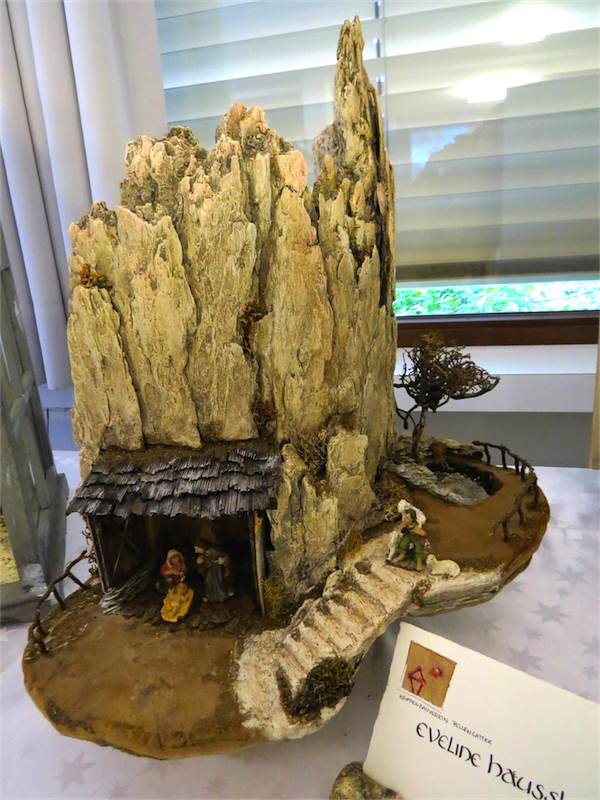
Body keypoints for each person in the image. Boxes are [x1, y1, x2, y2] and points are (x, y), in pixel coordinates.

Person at [387, 500, 432, 572]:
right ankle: (402, 555)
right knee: (402, 544)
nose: (405, 519)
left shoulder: (416, 526)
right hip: (408, 534)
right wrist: (399, 531)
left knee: (418, 547)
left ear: (412, 519)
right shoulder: (405, 522)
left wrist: (419, 532)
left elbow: (424, 534)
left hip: (415, 536)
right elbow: (400, 527)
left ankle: (419, 562)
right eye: (405, 517)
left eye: (407, 518)